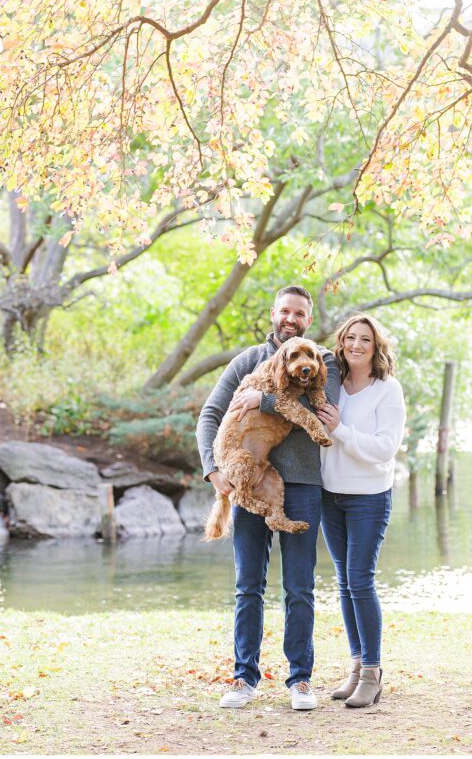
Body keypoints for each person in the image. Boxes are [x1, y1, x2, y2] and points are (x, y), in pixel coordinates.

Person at [196, 285, 341, 711]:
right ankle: (244, 678)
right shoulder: (248, 360)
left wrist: (265, 400)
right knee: (248, 587)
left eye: (299, 313)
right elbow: (210, 414)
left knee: (299, 587)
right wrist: (212, 469)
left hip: (302, 486)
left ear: (308, 320)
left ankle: (300, 680)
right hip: (247, 484)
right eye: (284, 311)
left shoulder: (323, 360)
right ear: (273, 314)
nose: (290, 318)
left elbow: (322, 414)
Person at [315, 313, 406, 708]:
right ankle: (355, 667)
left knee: (360, 580)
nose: (355, 345)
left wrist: (339, 430)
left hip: (369, 496)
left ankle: (372, 671)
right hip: (329, 495)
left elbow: (385, 449)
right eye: (350, 338)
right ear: (341, 342)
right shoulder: (330, 383)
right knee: (343, 581)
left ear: (376, 346)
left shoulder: (388, 390)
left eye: (364, 340)